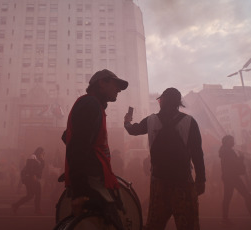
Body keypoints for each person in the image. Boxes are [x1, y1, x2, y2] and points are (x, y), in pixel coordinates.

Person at [124, 87, 206, 230]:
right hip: (183, 181)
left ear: (161, 101)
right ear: (179, 103)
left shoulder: (151, 120)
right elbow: (197, 153)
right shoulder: (189, 121)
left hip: (159, 181)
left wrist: (127, 121)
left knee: (155, 224)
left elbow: (132, 130)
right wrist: (201, 179)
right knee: (188, 224)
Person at [62, 69, 128, 229]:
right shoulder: (90, 104)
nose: (118, 90)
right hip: (92, 184)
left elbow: (68, 137)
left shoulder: (92, 105)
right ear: (101, 83)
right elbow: (77, 145)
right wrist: (79, 192)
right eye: (115, 84)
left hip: (94, 181)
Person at [219, 135, 251, 223]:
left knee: (227, 198)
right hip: (232, 177)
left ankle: (224, 218)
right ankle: (224, 219)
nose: (233, 142)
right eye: (231, 140)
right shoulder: (228, 151)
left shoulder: (224, 151)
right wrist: (241, 157)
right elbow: (234, 163)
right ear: (226, 141)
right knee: (246, 195)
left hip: (228, 177)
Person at [12, 147, 45, 215]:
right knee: (38, 193)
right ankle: (37, 209)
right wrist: (33, 175)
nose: (43, 154)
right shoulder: (33, 156)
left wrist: (42, 160)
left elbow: (41, 167)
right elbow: (30, 166)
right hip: (30, 178)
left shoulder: (39, 159)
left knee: (30, 195)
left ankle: (16, 205)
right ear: (39, 152)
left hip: (31, 178)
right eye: (42, 153)